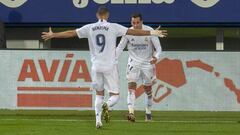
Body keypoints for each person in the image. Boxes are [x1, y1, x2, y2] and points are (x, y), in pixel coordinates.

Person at [42, 6, 167, 129]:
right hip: (110, 66)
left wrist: (54, 35)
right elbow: (133, 32)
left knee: (99, 95)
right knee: (115, 96)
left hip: (96, 67)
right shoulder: (113, 27)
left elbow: (71, 33)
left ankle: (98, 121)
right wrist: (152, 32)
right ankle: (109, 106)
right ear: (108, 15)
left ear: (97, 15)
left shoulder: (89, 27)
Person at [116, 13, 163, 122]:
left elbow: (159, 48)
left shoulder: (150, 31)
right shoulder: (128, 32)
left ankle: (148, 111)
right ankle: (131, 112)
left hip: (148, 64)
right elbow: (120, 48)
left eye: (137, 22)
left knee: (148, 90)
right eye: (133, 23)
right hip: (133, 64)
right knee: (131, 87)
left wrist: (156, 57)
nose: (135, 25)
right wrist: (113, 59)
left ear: (141, 22)